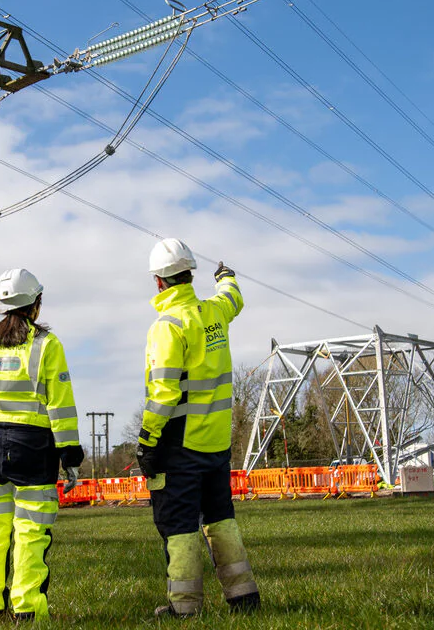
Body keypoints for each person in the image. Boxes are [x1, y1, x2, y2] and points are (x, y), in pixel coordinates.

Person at [135, 238, 260, 617]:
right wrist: (226, 277)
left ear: (159, 282)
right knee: (221, 519)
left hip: (180, 445)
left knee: (180, 526)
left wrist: (146, 441)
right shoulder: (215, 313)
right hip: (217, 443)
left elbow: (163, 393)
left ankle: (185, 607)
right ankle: (244, 597)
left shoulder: (167, 326)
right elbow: (232, 298)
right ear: (190, 275)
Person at [0, 268, 83, 623]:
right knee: (30, 532)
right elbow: (60, 405)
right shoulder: (47, 345)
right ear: (36, 306)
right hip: (33, 450)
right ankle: (28, 609)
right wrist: (70, 454)